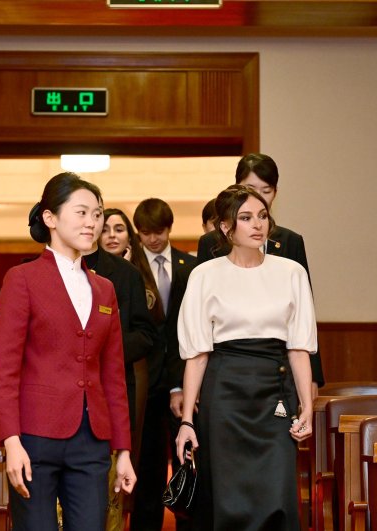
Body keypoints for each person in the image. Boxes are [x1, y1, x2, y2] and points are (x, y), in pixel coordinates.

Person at [0, 172, 137, 531]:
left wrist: (123, 450)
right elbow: (5, 369)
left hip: (92, 440)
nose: (92, 223)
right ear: (50, 217)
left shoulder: (104, 289)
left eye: (97, 214)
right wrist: (11, 441)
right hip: (35, 437)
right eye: (81, 212)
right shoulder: (22, 279)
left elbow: (114, 375)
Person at [176, 184, 317, 530]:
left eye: (263, 216)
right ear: (226, 226)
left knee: (277, 494)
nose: (258, 224)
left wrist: (307, 407)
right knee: (227, 497)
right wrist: (187, 421)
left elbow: (298, 347)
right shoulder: (204, 274)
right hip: (224, 395)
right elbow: (197, 355)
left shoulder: (291, 272)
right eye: (246, 217)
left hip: (275, 392)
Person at [196, 153, 325, 392]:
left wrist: (313, 377)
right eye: (250, 188)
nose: (258, 198)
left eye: (266, 190)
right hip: (224, 368)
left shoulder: (290, 241)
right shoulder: (211, 242)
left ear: (275, 193)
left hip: (280, 366)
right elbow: (197, 317)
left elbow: (305, 313)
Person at [84, 207, 156, 530]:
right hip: (66, 396)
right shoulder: (53, 270)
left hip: (113, 388)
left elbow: (146, 335)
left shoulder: (126, 275)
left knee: (111, 484)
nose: (109, 234)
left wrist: (103, 349)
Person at [130, 198, 196, 531]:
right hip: (147, 379)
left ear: (169, 228)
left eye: (158, 232)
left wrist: (181, 382)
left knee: (188, 463)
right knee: (149, 467)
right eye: (145, 233)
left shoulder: (190, 266)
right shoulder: (131, 269)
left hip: (185, 376)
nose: (153, 239)